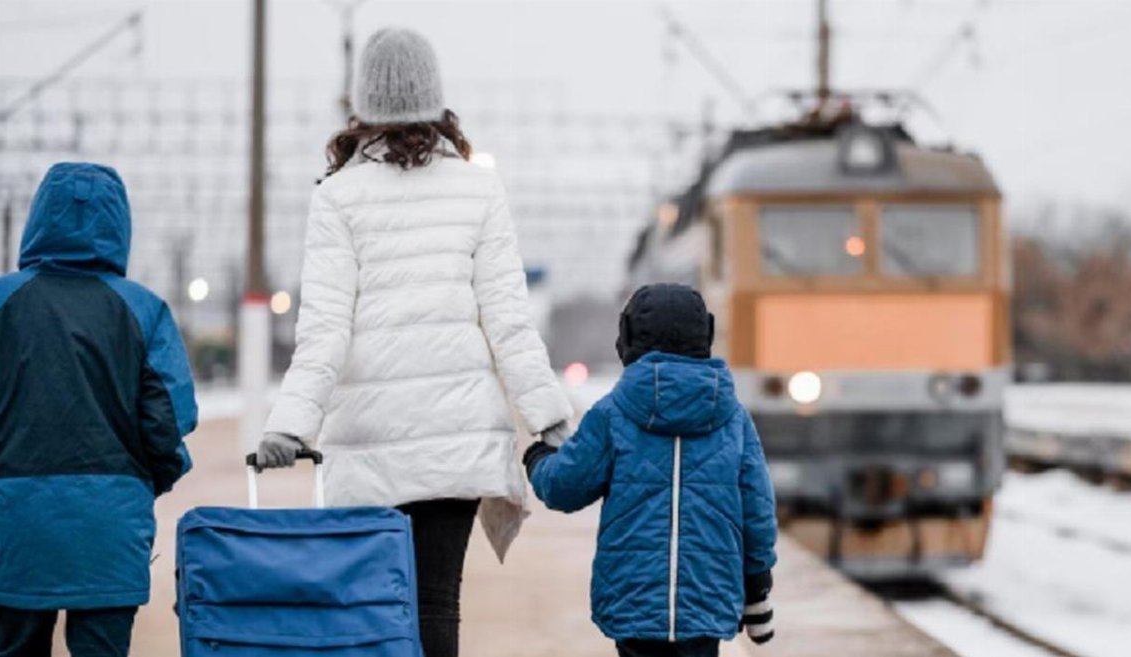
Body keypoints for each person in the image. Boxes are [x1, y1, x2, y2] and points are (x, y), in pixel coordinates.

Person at [254, 27, 572, 657]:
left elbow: (323, 332)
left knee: (376, 608)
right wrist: (550, 419)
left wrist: (289, 426)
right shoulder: (479, 189)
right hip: (456, 444)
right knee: (436, 605)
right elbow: (508, 321)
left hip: (369, 445)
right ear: (435, 100)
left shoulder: (337, 197)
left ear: (363, 104)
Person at [0, 163, 197, 657]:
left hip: (12, 527)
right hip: (109, 526)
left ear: (38, 217)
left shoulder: (2, 302)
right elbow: (168, 419)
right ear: (119, 224)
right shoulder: (143, 309)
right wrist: (152, 480)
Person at [523, 283, 778, 657]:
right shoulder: (733, 418)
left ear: (626, 339)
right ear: (705, 335)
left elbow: (564, 487)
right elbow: (757, 512)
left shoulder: (613, 413)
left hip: (632, 597)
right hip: (707, 598)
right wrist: (757, 591)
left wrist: (537, 458)